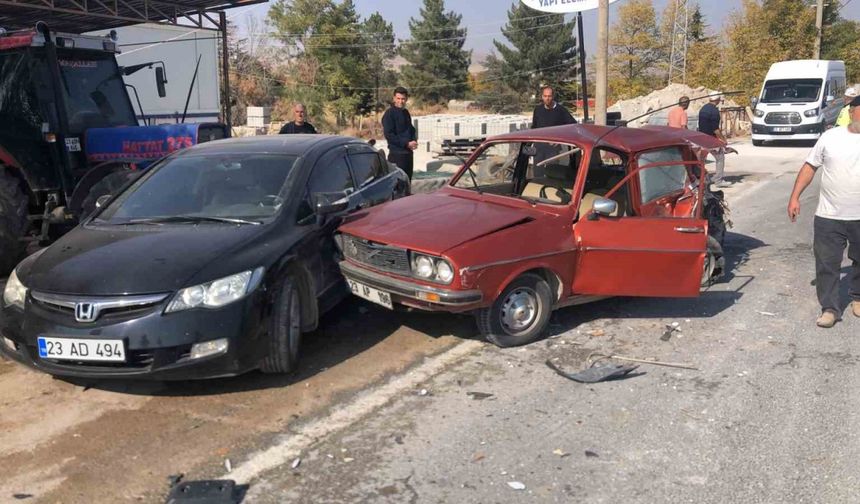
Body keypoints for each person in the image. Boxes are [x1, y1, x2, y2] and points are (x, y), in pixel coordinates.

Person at [787, 95, 860, 328]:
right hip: (829, 216)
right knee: (827, 264)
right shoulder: (830, 138)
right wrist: (794, 197)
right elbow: (810, 167)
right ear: (852, 112)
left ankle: (858, 298)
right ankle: (829, 308)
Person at [381, 86, 417, 180]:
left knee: (407, 183)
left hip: (408, 155)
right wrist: (406, 143)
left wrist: (414, 140)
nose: (401, 101)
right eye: (398, 98)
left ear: (406, 99)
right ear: (394, 98)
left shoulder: (405, 112)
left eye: (403, 99)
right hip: (397, 155)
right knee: (398, 186)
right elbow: (389, 135)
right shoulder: (389, 114)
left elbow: (411, 129)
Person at [698, 94, 730, 187]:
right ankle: (718, 181)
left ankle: (701, 180)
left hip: (701, 138)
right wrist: (723, 139)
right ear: (717, 100)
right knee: (720, 158)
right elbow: (715, 129)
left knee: (701, 160)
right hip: (710, 139)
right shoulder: (714, 111)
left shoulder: (703, 108)